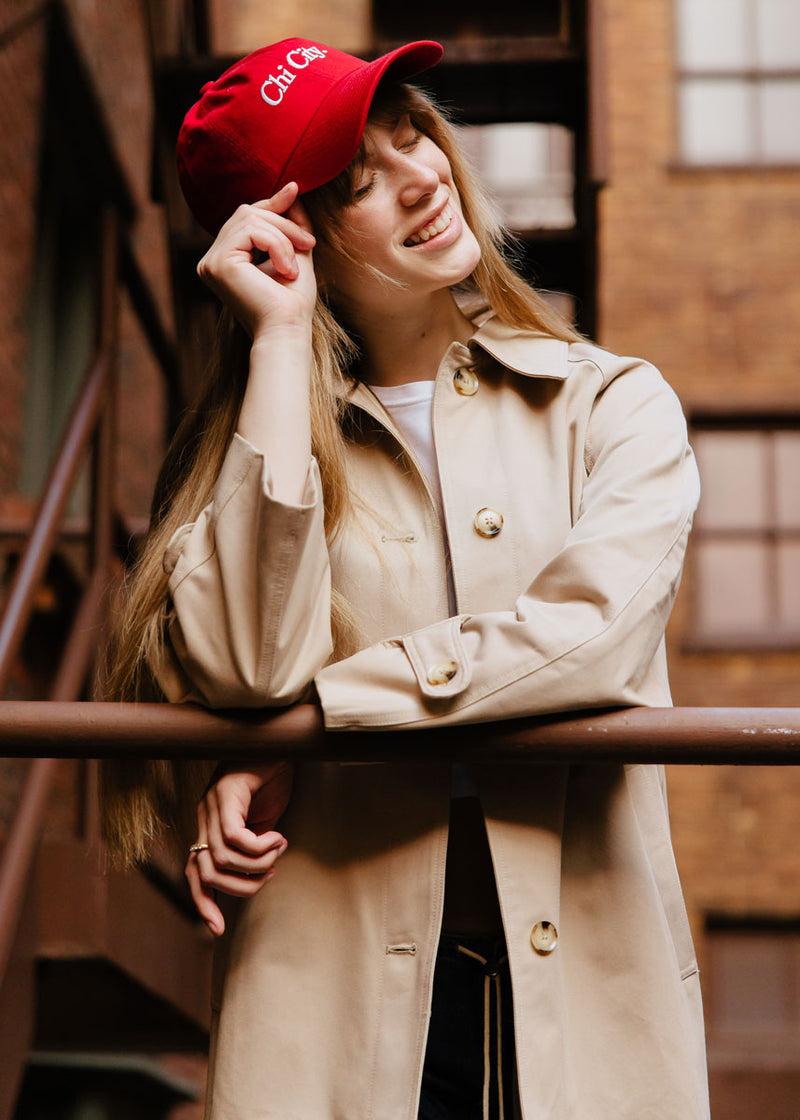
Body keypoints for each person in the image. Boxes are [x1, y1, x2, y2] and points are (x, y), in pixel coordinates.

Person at [101, 36, 709, 1120]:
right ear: (283, 237)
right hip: (333, 1013)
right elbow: (248, 671)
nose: (422, 172)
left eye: (410, 128)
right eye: (355, 181)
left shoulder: (610, 404)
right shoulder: (250, 457)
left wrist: (319, 719)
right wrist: (282, 344)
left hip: (583, 1005)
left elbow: (593, 635)